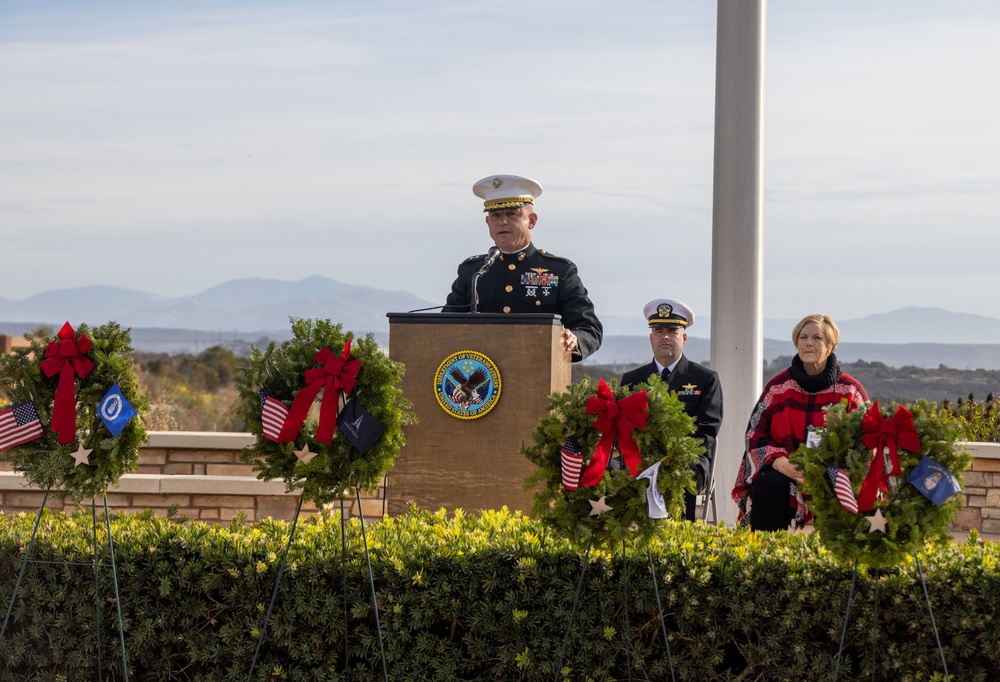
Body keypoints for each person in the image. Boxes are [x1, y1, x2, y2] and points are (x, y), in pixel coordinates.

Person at [731, 314, 869, 531]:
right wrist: (780, 462)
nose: (809, 343)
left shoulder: (850, 391)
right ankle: (765, 555)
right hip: (785, 469)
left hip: (833, 472)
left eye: (817, 338)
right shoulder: (778, 387)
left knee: (843, 488)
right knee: (769, 483)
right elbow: (754, 435)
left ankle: (834, 559)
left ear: (831, 346)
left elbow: (865, 442)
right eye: (803, 337)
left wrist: (830, 468)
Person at [443, 174, 603, 362]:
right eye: (495, 215)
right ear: (488, 223)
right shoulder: (472, 272)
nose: (502, 221)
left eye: (512, 213)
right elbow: (444, 327)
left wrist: (574, 340)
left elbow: (589, 328)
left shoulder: (559, 271)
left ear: (532, 220)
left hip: (539, 374)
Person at [621, 298, 723, 521]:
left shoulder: (705, 379)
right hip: (640, 456)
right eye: (658, 331)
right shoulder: (632, 380)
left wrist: (668, 456)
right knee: (613, 470)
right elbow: (623, 428)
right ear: (651, 339)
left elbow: (706, 431)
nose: (664, 336)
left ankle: (678, 542)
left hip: (688, 460)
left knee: (677, 472)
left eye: (672, 330)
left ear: (684, 337)